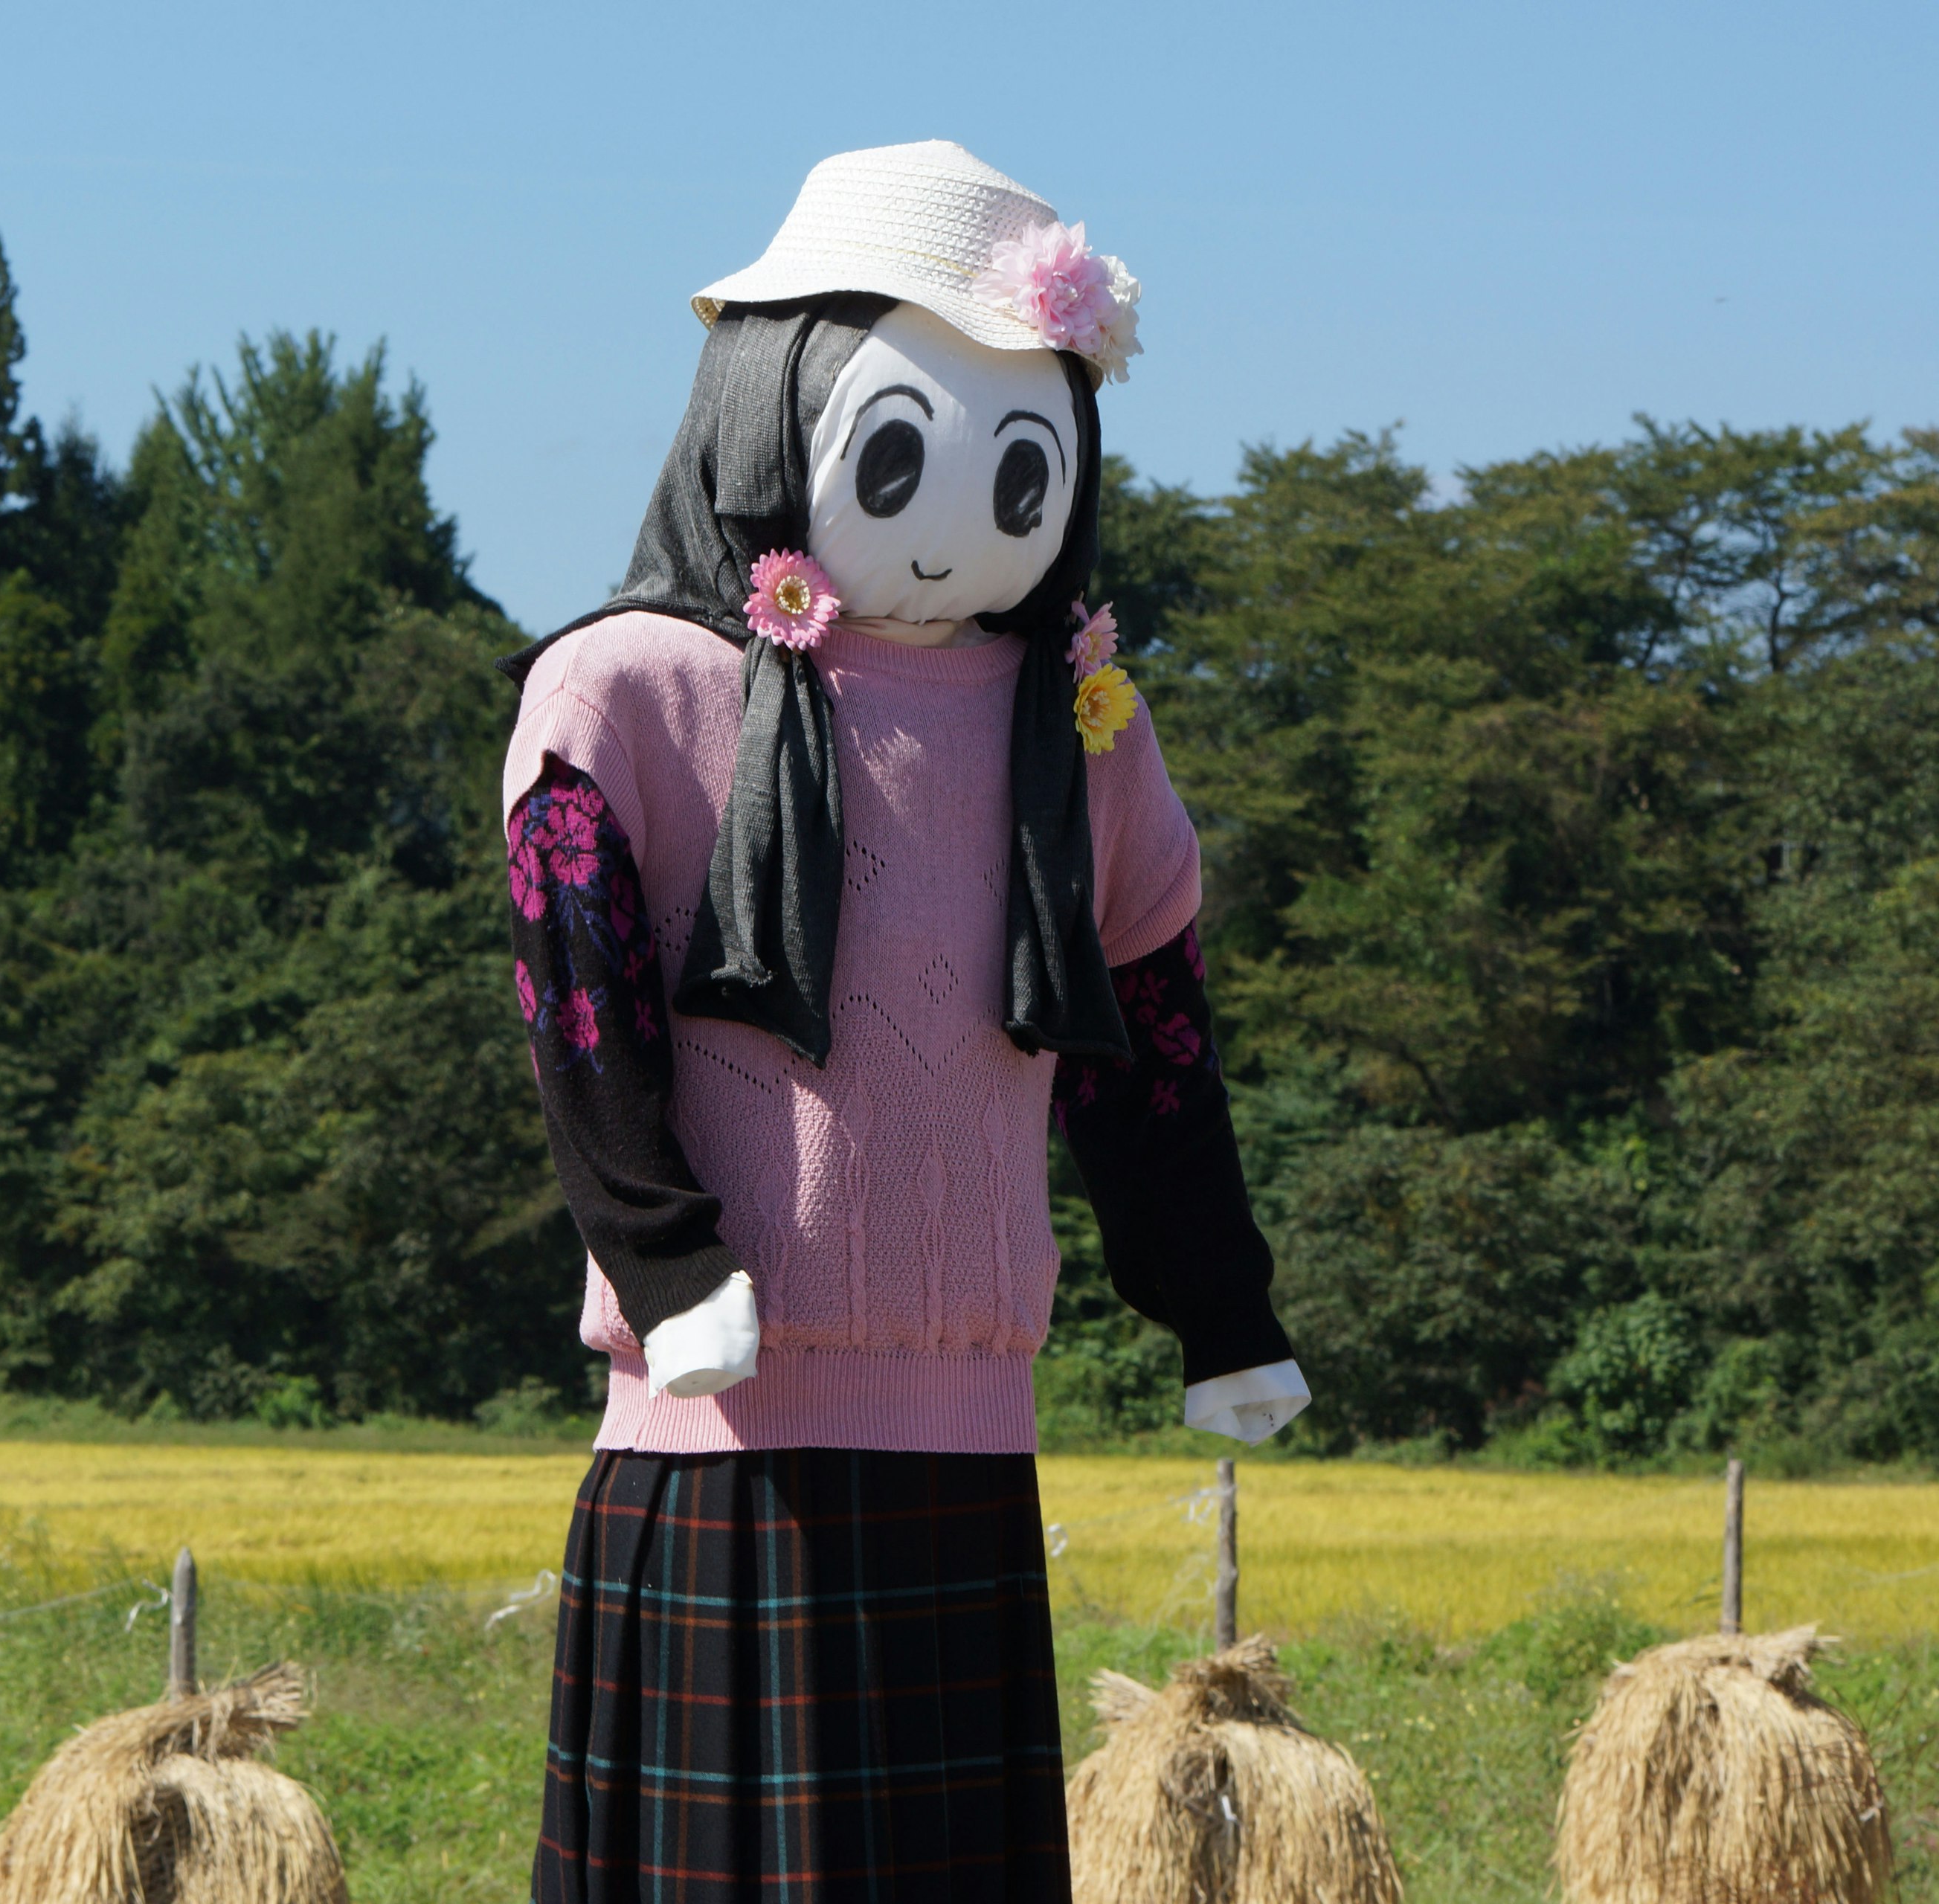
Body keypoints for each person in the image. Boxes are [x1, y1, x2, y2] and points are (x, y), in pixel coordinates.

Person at [500, 141, 1308, 1903]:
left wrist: (1214, 1295)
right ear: (770, 406)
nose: (963, 503)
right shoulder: (632, 685)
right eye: (901, 438)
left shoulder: (1074, 716)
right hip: (718, 1435)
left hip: (967, 1431)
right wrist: (663, 1260)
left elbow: (1146, 1017)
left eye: (1023, 451)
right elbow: (580, 1002)